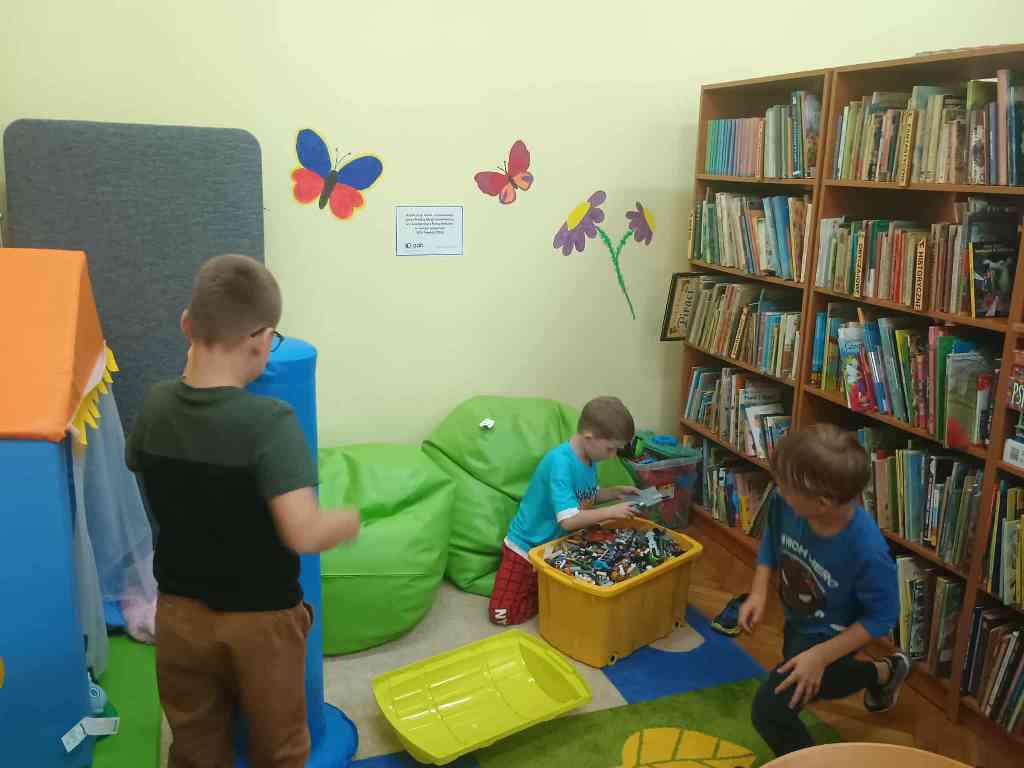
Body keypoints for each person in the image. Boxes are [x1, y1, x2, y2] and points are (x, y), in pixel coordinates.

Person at [126, 254, 360, 768]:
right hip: (262, 623)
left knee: (193, 742)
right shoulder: (271, 422)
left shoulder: (155, 405)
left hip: (179, 615)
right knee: (280, 746)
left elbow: (143, 466)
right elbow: (303, 534)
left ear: (186, 324)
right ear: (263, 340)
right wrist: (348, 521)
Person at [738, 423, 909, 758]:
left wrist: (821, 655)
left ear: (822, 502)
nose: (778, 490)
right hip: (798, 621)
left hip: (834, 635)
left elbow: (882, 618)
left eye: (785, 487)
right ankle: (884, 672)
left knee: (770, 710)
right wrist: (758, 591)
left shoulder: (868, 551)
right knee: (817, 679)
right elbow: (772, 538)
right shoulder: (786, 504)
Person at [488, 396, 640, 625]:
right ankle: (542, 595)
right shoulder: (560, 462)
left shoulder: (589, 459)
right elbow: (568, 520)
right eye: (611, 449)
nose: (613, 456)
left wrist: (614, 492)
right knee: (501, 614)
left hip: (559, 547)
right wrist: (611, 511)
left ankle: (546, 590)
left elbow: (584, 497)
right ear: (589, 437)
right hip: (526, 547)